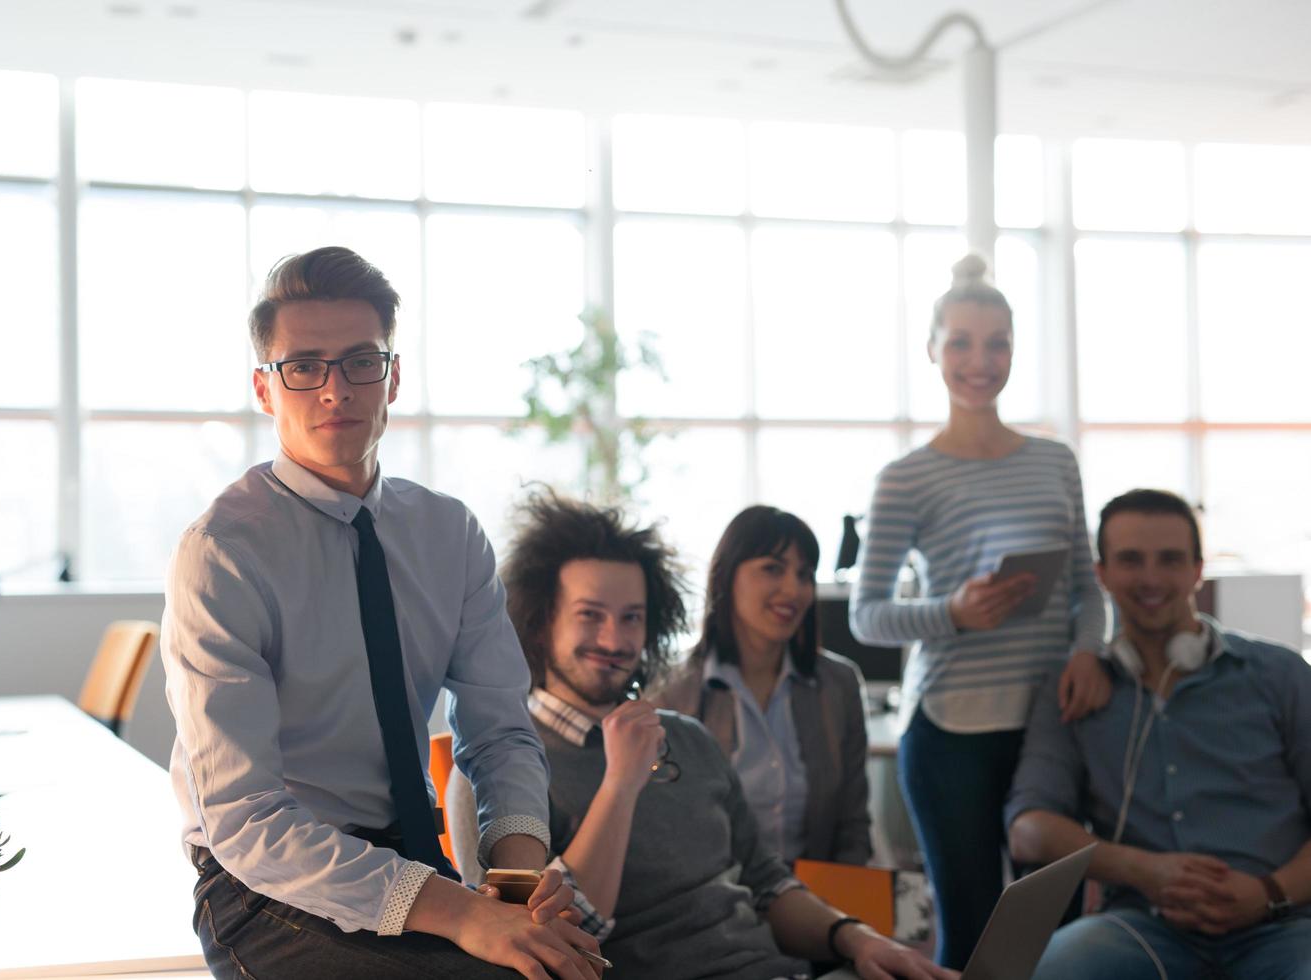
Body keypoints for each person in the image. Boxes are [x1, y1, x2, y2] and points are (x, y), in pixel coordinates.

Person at [159, 247, 600, 980]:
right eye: (304, 365)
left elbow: (500, 734)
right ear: (266, 390)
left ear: (393, 376)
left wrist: (518, 886)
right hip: (266, 885)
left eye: (361, 361)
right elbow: (246, 820)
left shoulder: (447, 534)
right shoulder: (221, 552)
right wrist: (465, 913)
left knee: (555, 965)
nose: (335, 389)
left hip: (412, 858)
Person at [453, 491, 954, 980]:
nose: (614, 639)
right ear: (540, 623)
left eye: (632, 618)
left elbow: (767, 884)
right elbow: (544, 943)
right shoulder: (496, 766)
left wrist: (857, 937)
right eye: (590, 615)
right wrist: (621, 784)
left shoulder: (687, 738)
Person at [849, 253, 1111, 968]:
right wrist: (953, 614)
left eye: (997, 343)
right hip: (950, 731)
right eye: (961, 342)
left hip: (1052, 728)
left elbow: (1088, 587)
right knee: (969, 938)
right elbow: (867, 616)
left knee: (1052, 937)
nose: (980, 360)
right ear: (932, 350)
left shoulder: (1054, 461)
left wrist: (1088, 651)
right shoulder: (905, 480)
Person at [1007, 489, 1311, 979]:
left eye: (1169, 560)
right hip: (1141, 928)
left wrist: (1267, 894)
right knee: (1060, 966)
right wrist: (1146, 871)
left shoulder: (1280, 675)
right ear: (1102, 574)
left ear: (1197, 570)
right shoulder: (1073, 689)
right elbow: (1029, 831)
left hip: (1284, 922)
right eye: (1131, 560)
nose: (1150, 579)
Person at [652, 504, 872, 866]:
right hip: (717, 905)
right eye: (773, 569)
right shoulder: (671, 693)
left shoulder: (839, 685)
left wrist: (836, 913)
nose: (794, 589)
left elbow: (853, 827)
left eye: (805, 574)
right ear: (725, 577)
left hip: (819, 901)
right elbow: (667, 832)